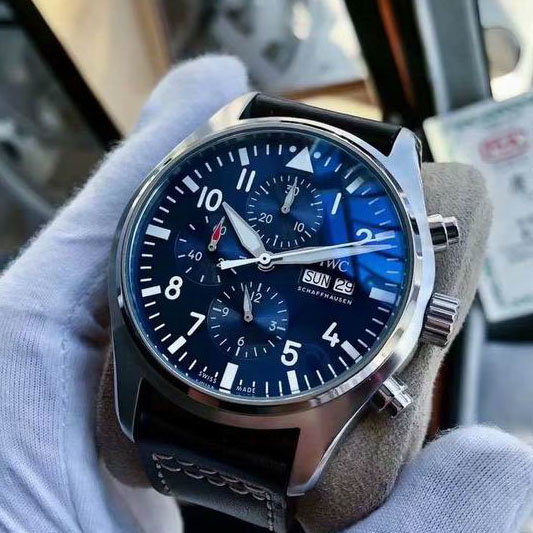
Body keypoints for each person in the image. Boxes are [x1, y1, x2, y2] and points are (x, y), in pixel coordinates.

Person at [0, 56, 532, 533]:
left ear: (431, 316)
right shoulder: (236, 142)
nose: (267, 262)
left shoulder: (393, 259)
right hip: (168, 371)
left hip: (273, 411)